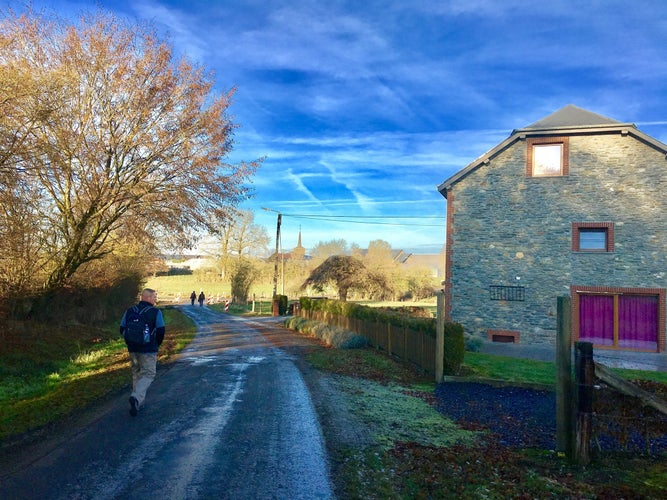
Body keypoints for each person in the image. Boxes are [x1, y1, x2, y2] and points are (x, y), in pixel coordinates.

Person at [120, 288, 165, 417]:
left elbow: (122, 328)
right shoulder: (155, 312)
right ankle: (136, 397)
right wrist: (157, 343)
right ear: (148, 298)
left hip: (133, 348)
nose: (155, 299)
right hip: (148, 349)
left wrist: (130, 340)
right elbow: (161, 330)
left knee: (137, 373)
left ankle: (138, 402)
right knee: (149, 374)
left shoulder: (130, 311)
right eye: (154, 297)